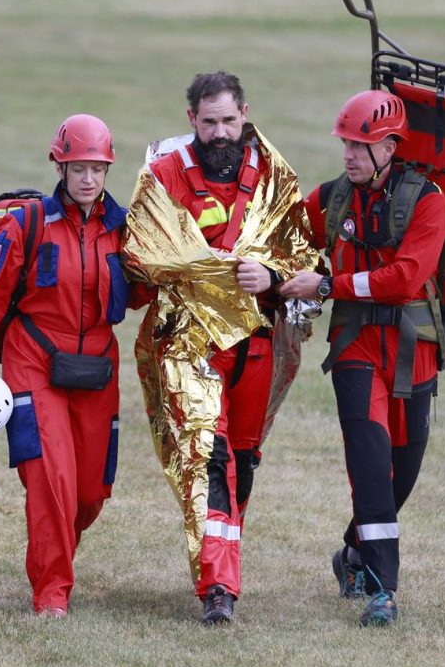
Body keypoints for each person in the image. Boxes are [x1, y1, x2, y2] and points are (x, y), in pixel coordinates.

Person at [123, 72, 317, 625]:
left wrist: (273, 274)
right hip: (191, 346)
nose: (219, 133)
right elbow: (144, 255)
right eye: (208, 122)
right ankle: (219, 588)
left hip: (257, 345)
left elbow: (302, 255)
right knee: (210, 457)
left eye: (228, 121)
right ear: (192, 121)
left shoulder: (273, 177)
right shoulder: (162, 177)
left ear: (244, 115)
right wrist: (216, 275)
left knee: (245, 460)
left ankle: (222, 561)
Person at [0, 114, 132, 618]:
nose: (87, 179)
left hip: (96, 370)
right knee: (51, 481)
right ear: (59, 167)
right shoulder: (26, 223)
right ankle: (52, 592)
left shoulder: (125, 228)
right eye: (77, 168)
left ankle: (57, 553)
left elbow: (149, 290)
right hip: (33, 360)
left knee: (89, 492)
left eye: (97, 168)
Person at [279, 89, 445, 627]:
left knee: (403, 473)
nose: (350, 154)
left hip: (412, 351)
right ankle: (383, 589)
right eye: (347, 143)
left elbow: (405, 280)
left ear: (391, 147)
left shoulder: (429, 200)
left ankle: (352, 551)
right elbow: (282, 234)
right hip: (353, 349)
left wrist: (329, 282)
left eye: (362, 144)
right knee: (371, 466)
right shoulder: (331, 199)